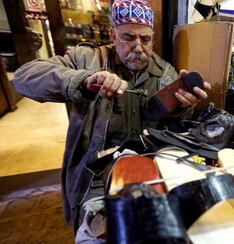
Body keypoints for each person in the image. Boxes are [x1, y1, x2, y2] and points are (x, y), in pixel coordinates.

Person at [12, 0, 211, 233]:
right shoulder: (86, 59)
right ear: (113, 35)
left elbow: (175, 133)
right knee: (100, 232)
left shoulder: (165, 71)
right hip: (96, 175)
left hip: (150, 169)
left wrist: (183, 108)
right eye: (128, 37)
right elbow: (24, 77)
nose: (138, 47)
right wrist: (84, 80)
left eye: (145, 39)